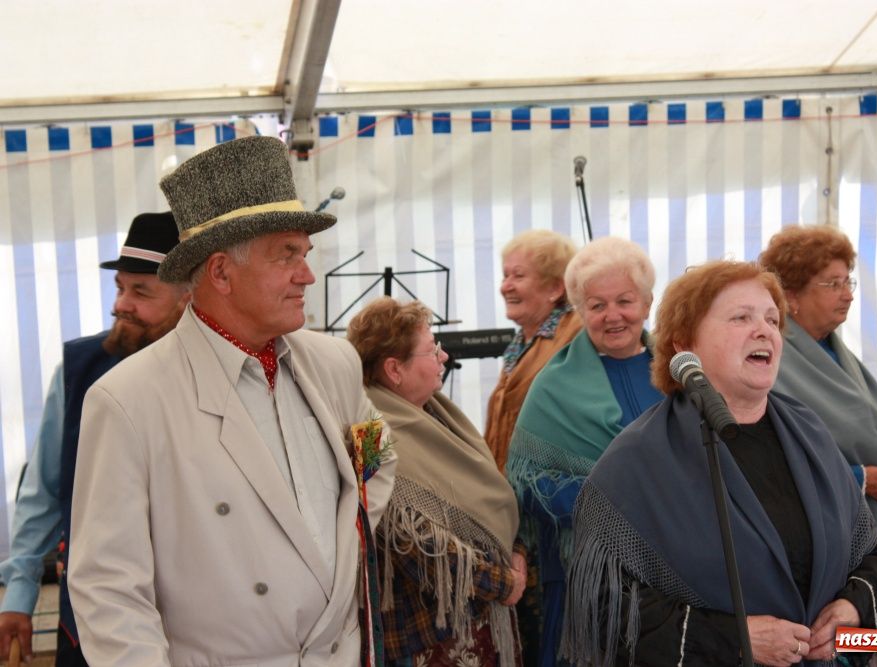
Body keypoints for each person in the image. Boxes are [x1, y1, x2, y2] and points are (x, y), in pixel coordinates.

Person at [67, 135, 396, 666]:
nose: (307, 274)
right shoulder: (127, 400)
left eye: (305, 254)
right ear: (220, 272)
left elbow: (378, 457)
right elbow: (109, 591)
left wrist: (343, 549)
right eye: (287, 255)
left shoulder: (334, 363)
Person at [563, 260, 877, 667]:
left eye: (772, 319)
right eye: (741, 317)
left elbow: (868, 552)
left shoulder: (811, 434)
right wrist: (733, 640)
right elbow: (603, 608)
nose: (764, 330)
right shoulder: (635, 460)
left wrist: (853, 606)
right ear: (685, 346)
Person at [0, 211, 187, 665]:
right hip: (89, 622)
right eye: (120, 288)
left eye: (141, 291)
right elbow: (44, 492)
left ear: (189, 297)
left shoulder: (218, 379)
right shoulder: (78, 370)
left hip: (194, 622)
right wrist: (19, 593)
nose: (121, 304)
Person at [760, 225, 877, 666]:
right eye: (833, 284)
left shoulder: (834, 350)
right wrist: (861, 479)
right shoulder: (775, 363)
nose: (848, 295)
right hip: (847, 558)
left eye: (848, 282)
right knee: (868, 649)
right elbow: (775, 460)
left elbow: (869, 428)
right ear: (791, 296)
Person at [505, 236, 662, 667]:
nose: (613, 315)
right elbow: (526, 485)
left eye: (624, 301)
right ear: (580, 310)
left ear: (647, 303)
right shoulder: (551, 385)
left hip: (674, 577)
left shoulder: (678, 375)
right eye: (597, 305)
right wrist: (614, 502)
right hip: (587, 584)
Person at [347, 297, 526, 666]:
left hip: (473, 619)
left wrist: (516, 550)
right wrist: (502, 582)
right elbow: (403, 540)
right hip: (427, 637)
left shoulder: (437, 414)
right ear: (394, 369)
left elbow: (487, 500)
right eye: (432, 350)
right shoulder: (369, 434)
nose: (444, 356)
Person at [485, 230, 581, 471]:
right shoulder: (520, 341)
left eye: (518, 276)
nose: (505, 286)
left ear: (555, 288)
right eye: (505, 275)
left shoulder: (576, 335)